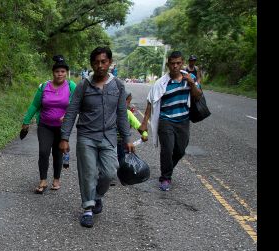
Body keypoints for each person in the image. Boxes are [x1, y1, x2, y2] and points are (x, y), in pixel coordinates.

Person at [59, 46, 134, 228]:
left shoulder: (118, 86)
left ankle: (97, 196)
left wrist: (127, 138)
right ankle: (87, 209)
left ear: (109, 63)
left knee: (109, 172)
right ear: (91, 64)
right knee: (88, 173)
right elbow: (72, 111)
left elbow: (122, 114)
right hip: (86, 136)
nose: (100, 65)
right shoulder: (84, 86)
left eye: (103, 61)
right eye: (96, 62)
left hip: (108, 137)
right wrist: (64, 137)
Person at [139, 51, 203, 191]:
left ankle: (167, 168)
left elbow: (198, 96)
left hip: (183, 120)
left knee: (180, 150)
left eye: (178, 63)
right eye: (172, 63)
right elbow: (151, 101)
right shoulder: (161, 83)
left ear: (182, 63)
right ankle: (166, 177)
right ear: (168, 64)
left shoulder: (189, 78)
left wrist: (192, 83)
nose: (175, 66)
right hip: (165, 120)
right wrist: (144, 123)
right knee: (167, 149)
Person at [21, 55, 77, 193]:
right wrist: (26, 121)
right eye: (57, 71)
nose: (60, 74)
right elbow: (35, 105)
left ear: (66, 73)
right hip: (45, 125)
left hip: (62, 127)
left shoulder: (71, 86)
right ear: (53, 72)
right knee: (43, 151)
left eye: (63, 71)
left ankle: (56, 179)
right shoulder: (44, 86)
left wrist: (67, 115)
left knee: (58, 153)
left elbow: (75, 105)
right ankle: (43, 180)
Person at [117, 92, 148, 167]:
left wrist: (144, 134)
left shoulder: (128, 113)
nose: (129, 105)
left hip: (122, 141)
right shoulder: (110, 112)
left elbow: (137, 125)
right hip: (113, 141)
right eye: (128, 102)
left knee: (122, 158)